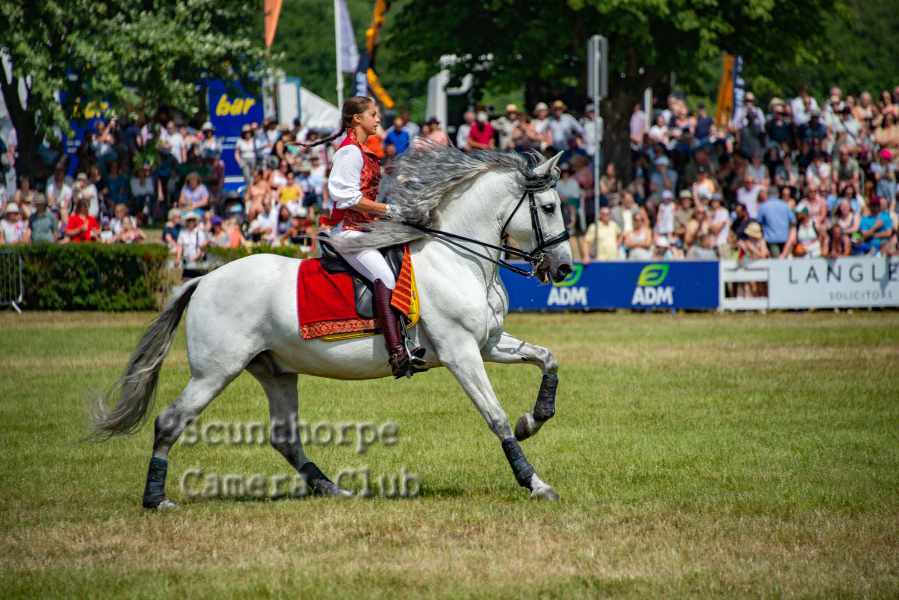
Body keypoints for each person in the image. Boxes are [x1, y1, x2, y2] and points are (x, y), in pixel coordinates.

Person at [325, 96, 422, 377]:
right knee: (385, 276)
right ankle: (397, 353)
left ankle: (410, 339)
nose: (378, 119)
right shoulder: (350, 153)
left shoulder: (363, 151)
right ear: (357, 119)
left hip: (365, 229)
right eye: (373, 114)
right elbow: (346, 198)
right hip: (348, 231)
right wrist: (388, 209)